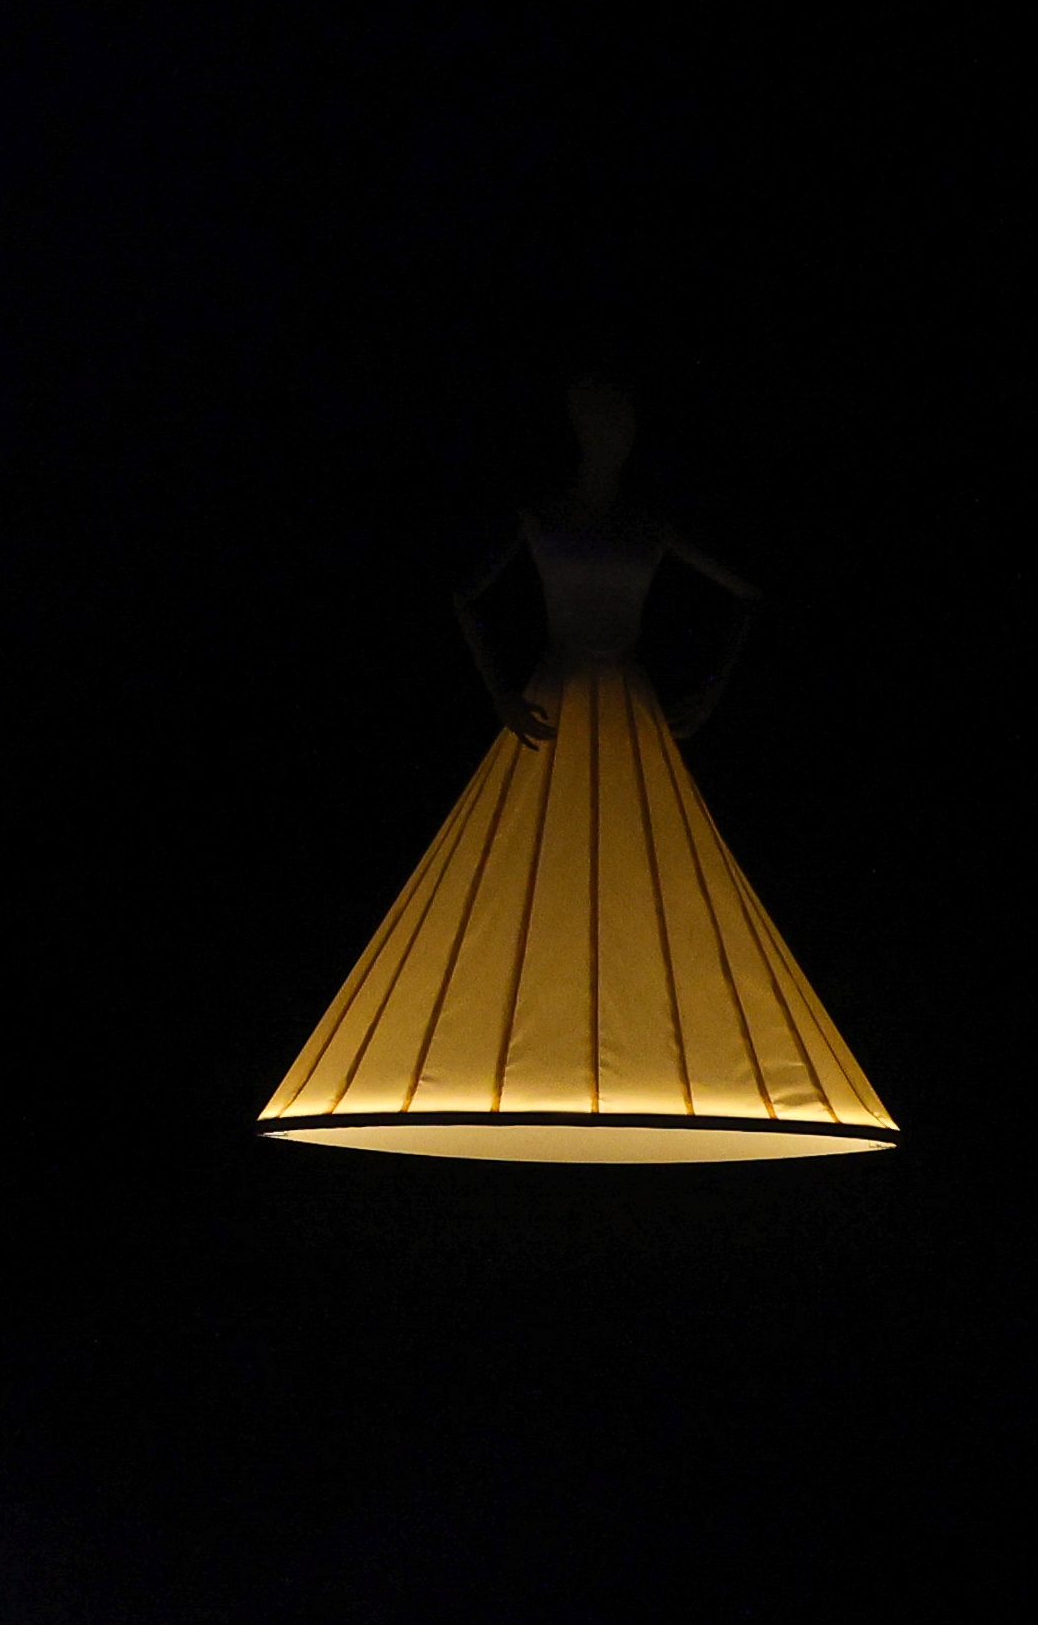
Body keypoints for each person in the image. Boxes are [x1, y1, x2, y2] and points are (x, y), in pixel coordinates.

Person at [254, 379, 890, 1156]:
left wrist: (709, 690)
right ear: (579, 431)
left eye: (620, 425)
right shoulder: (543, 518)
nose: (609, 438)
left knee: (634, 870)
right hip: (554, 703)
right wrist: (500, 694)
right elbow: (465, 597)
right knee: (542, 869)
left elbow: (746, 596)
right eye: (598, 424)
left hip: (625, 701)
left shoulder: (647, 526)